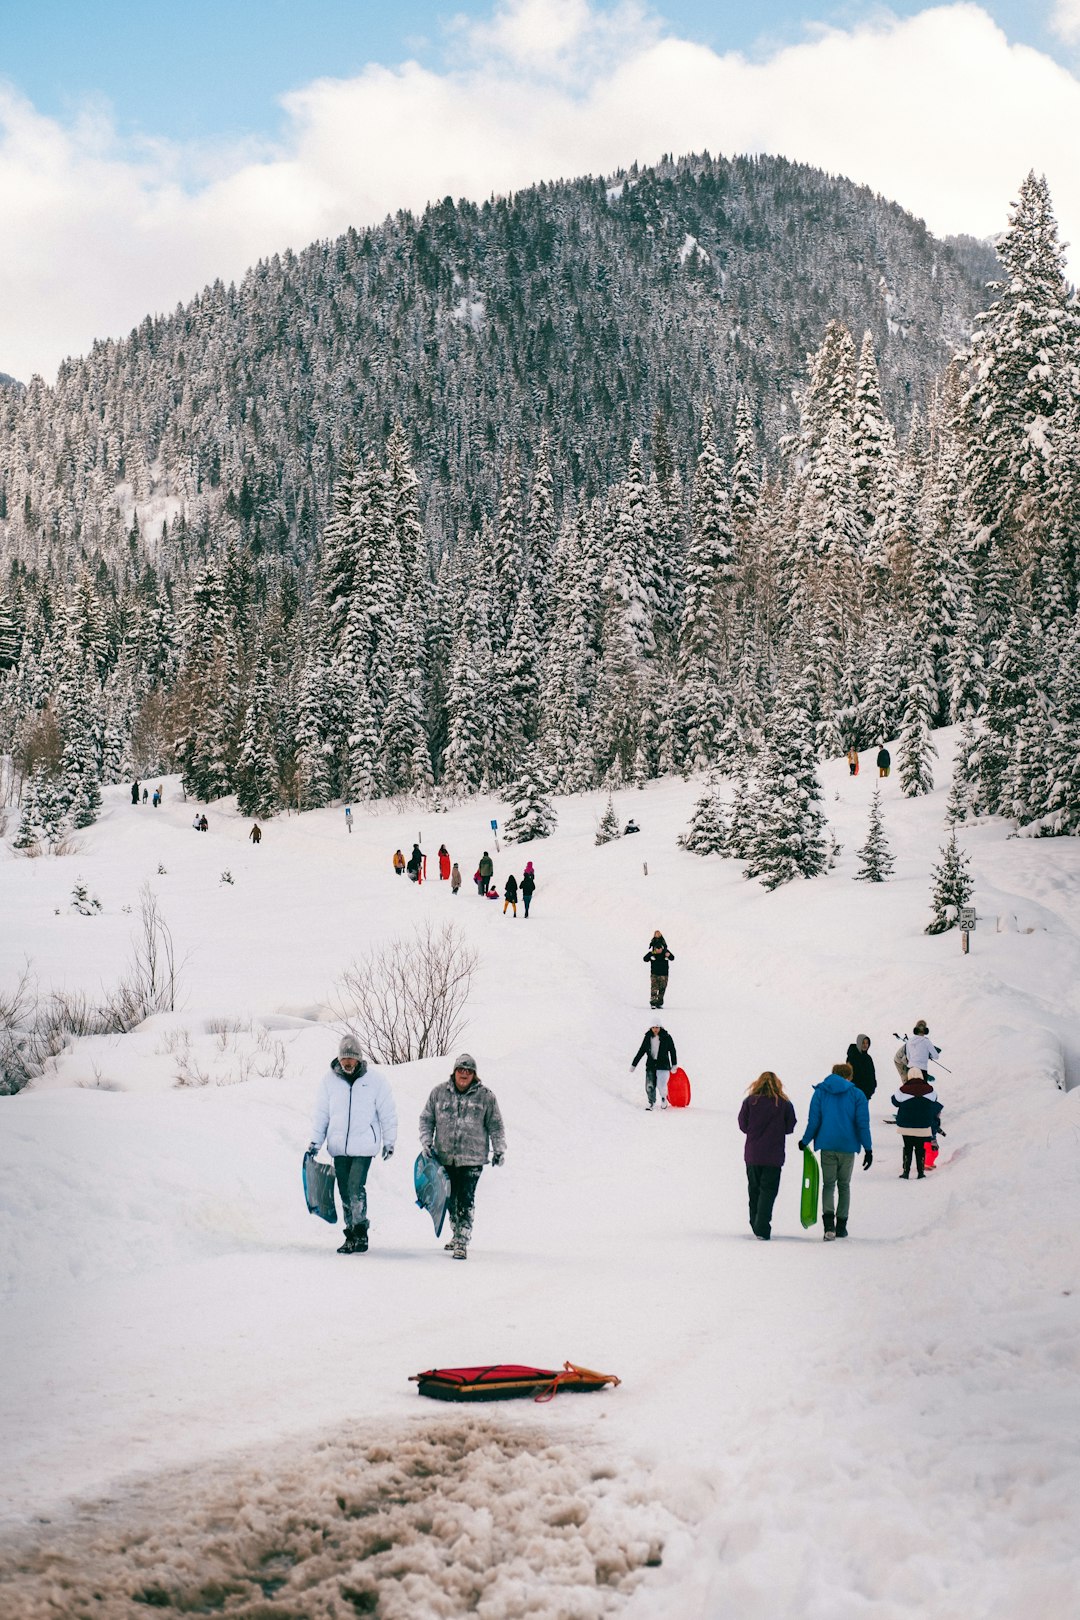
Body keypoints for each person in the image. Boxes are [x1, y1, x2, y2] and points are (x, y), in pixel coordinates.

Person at [308, 1034, 398, 1254]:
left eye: (351, 1058)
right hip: (338, 1147)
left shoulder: (375, 1081)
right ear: (339, 1059)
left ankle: (360, 1232)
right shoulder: (329, 1082)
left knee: (355, 1187)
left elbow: (388, 1113)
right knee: (344, 1191)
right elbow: (321, 1115)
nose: (347, 1062)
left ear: (359, 1059)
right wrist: (315, 1143)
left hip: (364, 1146)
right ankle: (350, 1233)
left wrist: (390, 1141)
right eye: (344, 1059)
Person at [419, 1053, 506, 1260]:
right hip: (445, 1157)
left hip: (472, 1159)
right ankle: (456, 1232)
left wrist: (499, 1148)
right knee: (449, 1198)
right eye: (461, 1070)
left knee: (465, 1199)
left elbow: (496, 1125)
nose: (464, 1074)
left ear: (474, 1075)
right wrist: (426, 1141)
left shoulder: (486, 1097)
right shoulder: (439, 1093)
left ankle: (462, 1239)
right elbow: (426, 1118)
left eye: (468, 1071)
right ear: (454, 1072)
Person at [798, 1062, 873, 1240]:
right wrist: (868, 1148)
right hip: (848, 1146)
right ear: (850, 1077)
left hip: (827, 1145)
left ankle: (829, 1226)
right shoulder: (857, 1094)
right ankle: (841, 1226)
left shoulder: (820, 1092)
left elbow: (814, 1121)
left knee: (829, 1185)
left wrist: (805, 1140)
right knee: (844, 1185)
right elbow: (862, 1124)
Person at [738, 1073, 798, 1240]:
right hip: (774, 1155)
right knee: (768, 1191)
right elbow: (790, 1126)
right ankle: (762, 1226)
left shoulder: (750, 1102)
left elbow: (743, 1125)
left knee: (754, 1189)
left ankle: (755, 1222)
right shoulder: (784, 1104)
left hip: (753, 1154)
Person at [891, 1072, 943, 1180]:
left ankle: (906, 1172)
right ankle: (921, 1173)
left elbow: (895, 1101)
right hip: (923, 1125)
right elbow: (934, 1100)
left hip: (906, 1125)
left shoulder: (902, 1089)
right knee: (920, 1148)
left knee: (908, 1147)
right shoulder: (930, 1090)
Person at [630, 1020, 677, 1110]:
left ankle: (663, 1098)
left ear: (660, 1028)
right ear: (651, 1028)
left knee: (661, 1085)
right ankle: (651, 1102)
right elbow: (641, 1051)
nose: (655, 1029)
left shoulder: (666, 1037)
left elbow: (672, 1050)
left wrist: (674, 1064)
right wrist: (634, 1064)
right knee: (649, 1085)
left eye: (657, 1027)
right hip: (651, 1065)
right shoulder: (647, 1037)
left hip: (663, 1065)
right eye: (653, 1027)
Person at [845, 1034, 876, 1102]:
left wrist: (872, 1087)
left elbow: (872, 1074)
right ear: (859, 1043)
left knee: (863, 1112)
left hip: (866, 1095)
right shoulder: (852, 1057)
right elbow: (848, 1076)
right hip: (854, 1094)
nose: (865, 1045)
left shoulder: (868, 1058)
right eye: (863, 1043)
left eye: (867, 1043)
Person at [644, 940, 674, 1009]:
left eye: (660, 949)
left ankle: (659, 1003)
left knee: (662, 989)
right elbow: (645, 959)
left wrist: (669, 955)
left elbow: (672, 958)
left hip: (664, 974)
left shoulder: (665, 952)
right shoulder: (653, 953)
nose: (659, 950)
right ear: (655, 949)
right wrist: (650, 955)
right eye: (657, 949)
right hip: (655, 974)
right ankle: (653, 1003)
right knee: (654, 988)